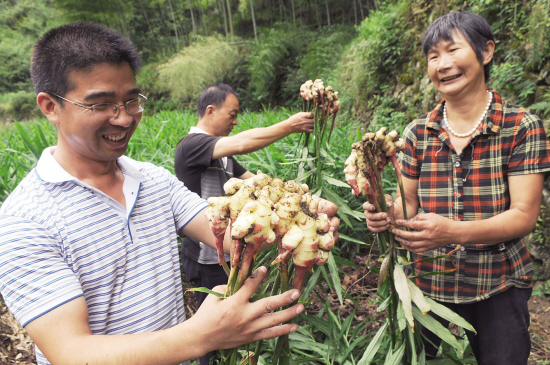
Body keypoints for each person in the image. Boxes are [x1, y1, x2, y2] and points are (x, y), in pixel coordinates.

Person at [0, 23, 339, 365]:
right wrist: (202, 335)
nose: (124, 118)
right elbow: (71, 353)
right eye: (101, 104)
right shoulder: (23, 221)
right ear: (50, 107)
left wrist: (300, 224)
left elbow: (226, 233)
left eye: (132, 100)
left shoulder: (152, 180)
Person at [364, 11, 550, 364]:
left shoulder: (521, 126)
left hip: (498, 282)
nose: (442, 64)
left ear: (486, 51)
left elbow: (524, 216)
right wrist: (384, 212)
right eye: (433, 56)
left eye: (452, 50)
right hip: (428, 285)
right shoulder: (417, 133)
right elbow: (408, 204)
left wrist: (453, 232)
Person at [174, 83, 314, 364]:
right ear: (210, 111)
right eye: (232, 113)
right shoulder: (192, 145)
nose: (236, 121)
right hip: (208, 257)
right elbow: (242, 142)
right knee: (210, 334)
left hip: (233, 250)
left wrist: (300, 200)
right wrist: (289, 125)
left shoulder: (222, 155)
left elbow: (256, 181)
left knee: (233, 324)